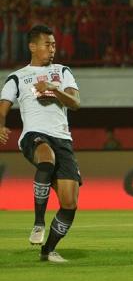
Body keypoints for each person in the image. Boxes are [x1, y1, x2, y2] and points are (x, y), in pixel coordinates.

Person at [0, 25, 82, 263]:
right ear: (32, 46)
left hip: (63, 139)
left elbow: (75, 102)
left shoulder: (62, 71)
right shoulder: (17, 77)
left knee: (70, 203)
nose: (52, 49)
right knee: (46, 159)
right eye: (48, 44)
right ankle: (38, 222)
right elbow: (3, 106)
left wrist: (54, 90)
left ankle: (48, 250)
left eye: (54, 44)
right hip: (34, 135)